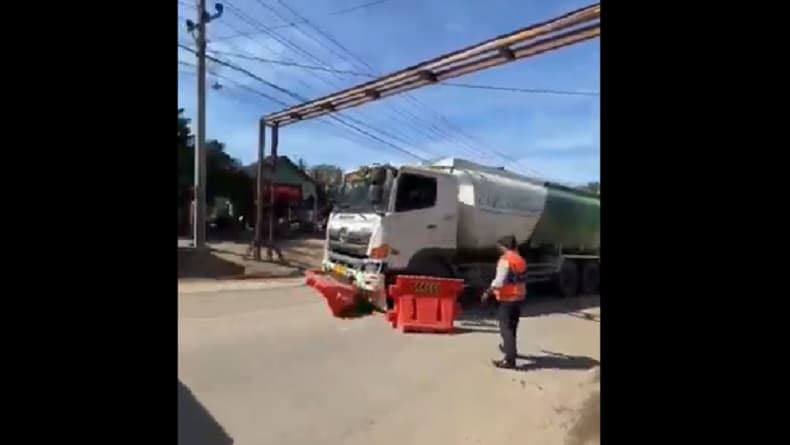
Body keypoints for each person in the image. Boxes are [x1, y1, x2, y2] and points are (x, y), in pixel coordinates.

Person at [481, 235, 528, 369]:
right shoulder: (520, 260)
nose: (499, 249)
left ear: (504, 247)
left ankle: (509, 360)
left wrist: (487, 292)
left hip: (508, 298)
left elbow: (499, 281)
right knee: (512, 328)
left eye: (500, 247)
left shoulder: (505, 260)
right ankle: (511, 351)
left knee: (505, 329)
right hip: (519, 298)